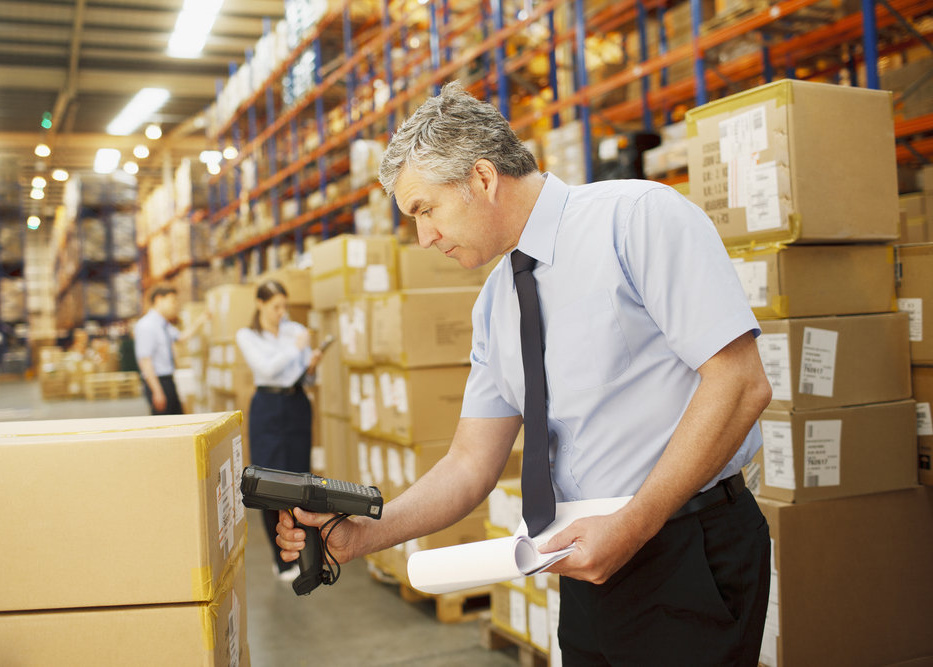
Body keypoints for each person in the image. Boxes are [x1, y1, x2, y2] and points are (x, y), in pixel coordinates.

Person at [277, 81, 774, 665]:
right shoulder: (496, 301)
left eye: (425, 209)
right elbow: (468, 465)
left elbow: (740, 384)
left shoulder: (637, 219)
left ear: (483, 179)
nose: (423, 236)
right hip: (586, 561)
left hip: (686, 544)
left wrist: (633, 524)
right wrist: (365, 535)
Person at [236, 280, 323, 583]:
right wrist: (295, 349)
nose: (281, 313)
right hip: (268, 406)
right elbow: (267, 368)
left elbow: (306, 378)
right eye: (275, 307)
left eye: (284, 306)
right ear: (260, 304)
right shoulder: (247, 336)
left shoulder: (294, 329)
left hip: (297, 402)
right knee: (270, 482)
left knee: (301, 481)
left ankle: (305, 555)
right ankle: (281, 561)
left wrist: (311, 366)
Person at [134, 284, 205, 415]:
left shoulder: (163, 324)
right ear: (159, 299)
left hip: (168, 380)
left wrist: (201, 320)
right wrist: (157, 391)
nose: (175, 305)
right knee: (165, 425)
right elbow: (145, 361)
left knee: (177, 419)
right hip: (158, 381)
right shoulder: (146, 326)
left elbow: (181, 337)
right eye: (172, 301)